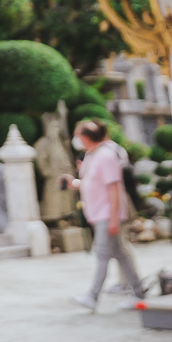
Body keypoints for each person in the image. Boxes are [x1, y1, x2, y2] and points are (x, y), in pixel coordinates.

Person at [65, 118, 144, 310]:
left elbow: (115, 189)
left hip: (107, 214)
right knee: (120, 254)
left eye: (77, 135)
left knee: (102, 253)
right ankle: (139, 293)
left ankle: (92, 296)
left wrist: (114, 219)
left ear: (84, 137)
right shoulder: (92, 155)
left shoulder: (106, 155)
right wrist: (74, 183)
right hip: (99, 213)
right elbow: (92, 184)